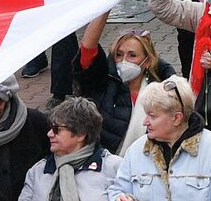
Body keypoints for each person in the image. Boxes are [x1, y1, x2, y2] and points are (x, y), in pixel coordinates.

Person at [75, 26, 176, 154]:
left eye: (132, 55)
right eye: (119, 55)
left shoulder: (162, 92)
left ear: (147, 62)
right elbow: (87, 49)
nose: (124, 61)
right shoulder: (102, 83)